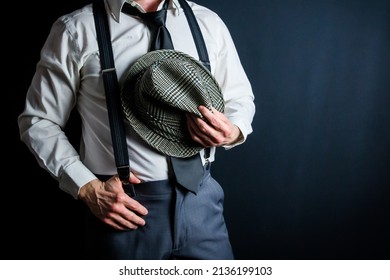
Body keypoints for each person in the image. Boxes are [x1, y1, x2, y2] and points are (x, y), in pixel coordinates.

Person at [18, 0, 255, 260]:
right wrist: (87, 187)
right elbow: (39, 121)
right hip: (125, 212)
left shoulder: (206, 21)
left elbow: (239, 99)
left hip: (203, 203)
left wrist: (233, 130)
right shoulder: (76, 29)